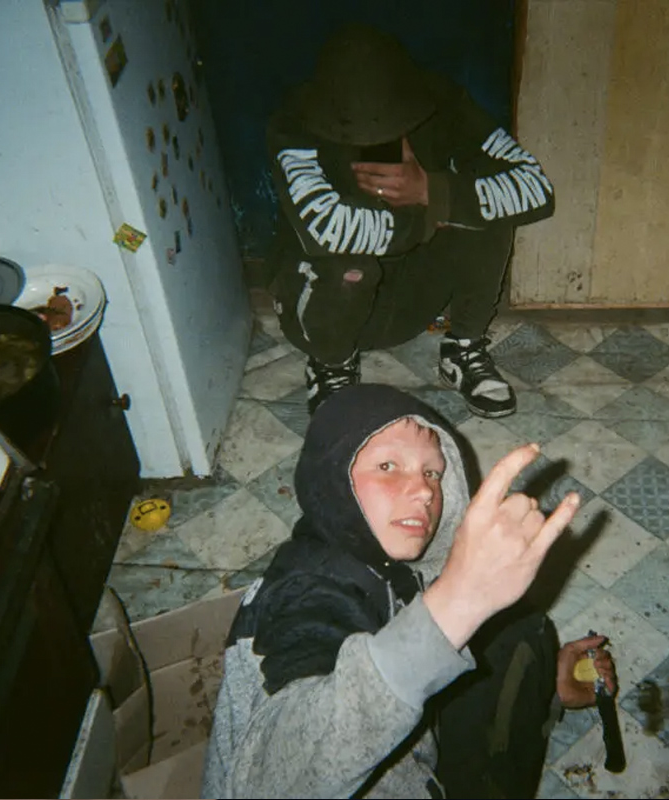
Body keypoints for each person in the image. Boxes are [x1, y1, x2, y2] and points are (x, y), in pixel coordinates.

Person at [201, 384, 616, 798]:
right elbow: (272, 781)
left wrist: (543, 691)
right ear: (332, 476)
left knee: (519, 634)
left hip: (416, 759)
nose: (424, 490)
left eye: (432, 472)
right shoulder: (305, 594)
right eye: (387, 466)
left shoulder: (382, 563)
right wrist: (459, 599)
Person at [266, 24, 556, 417]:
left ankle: (464, 348)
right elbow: (325, 228)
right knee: (345, 261)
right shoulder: (293, 123)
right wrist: (427, 217)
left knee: (485, 205)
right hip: (324, 306)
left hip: (412, 300)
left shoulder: (442, 101)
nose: (374, 139)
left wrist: (431, 191)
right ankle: (331, 365)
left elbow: (536, 188)